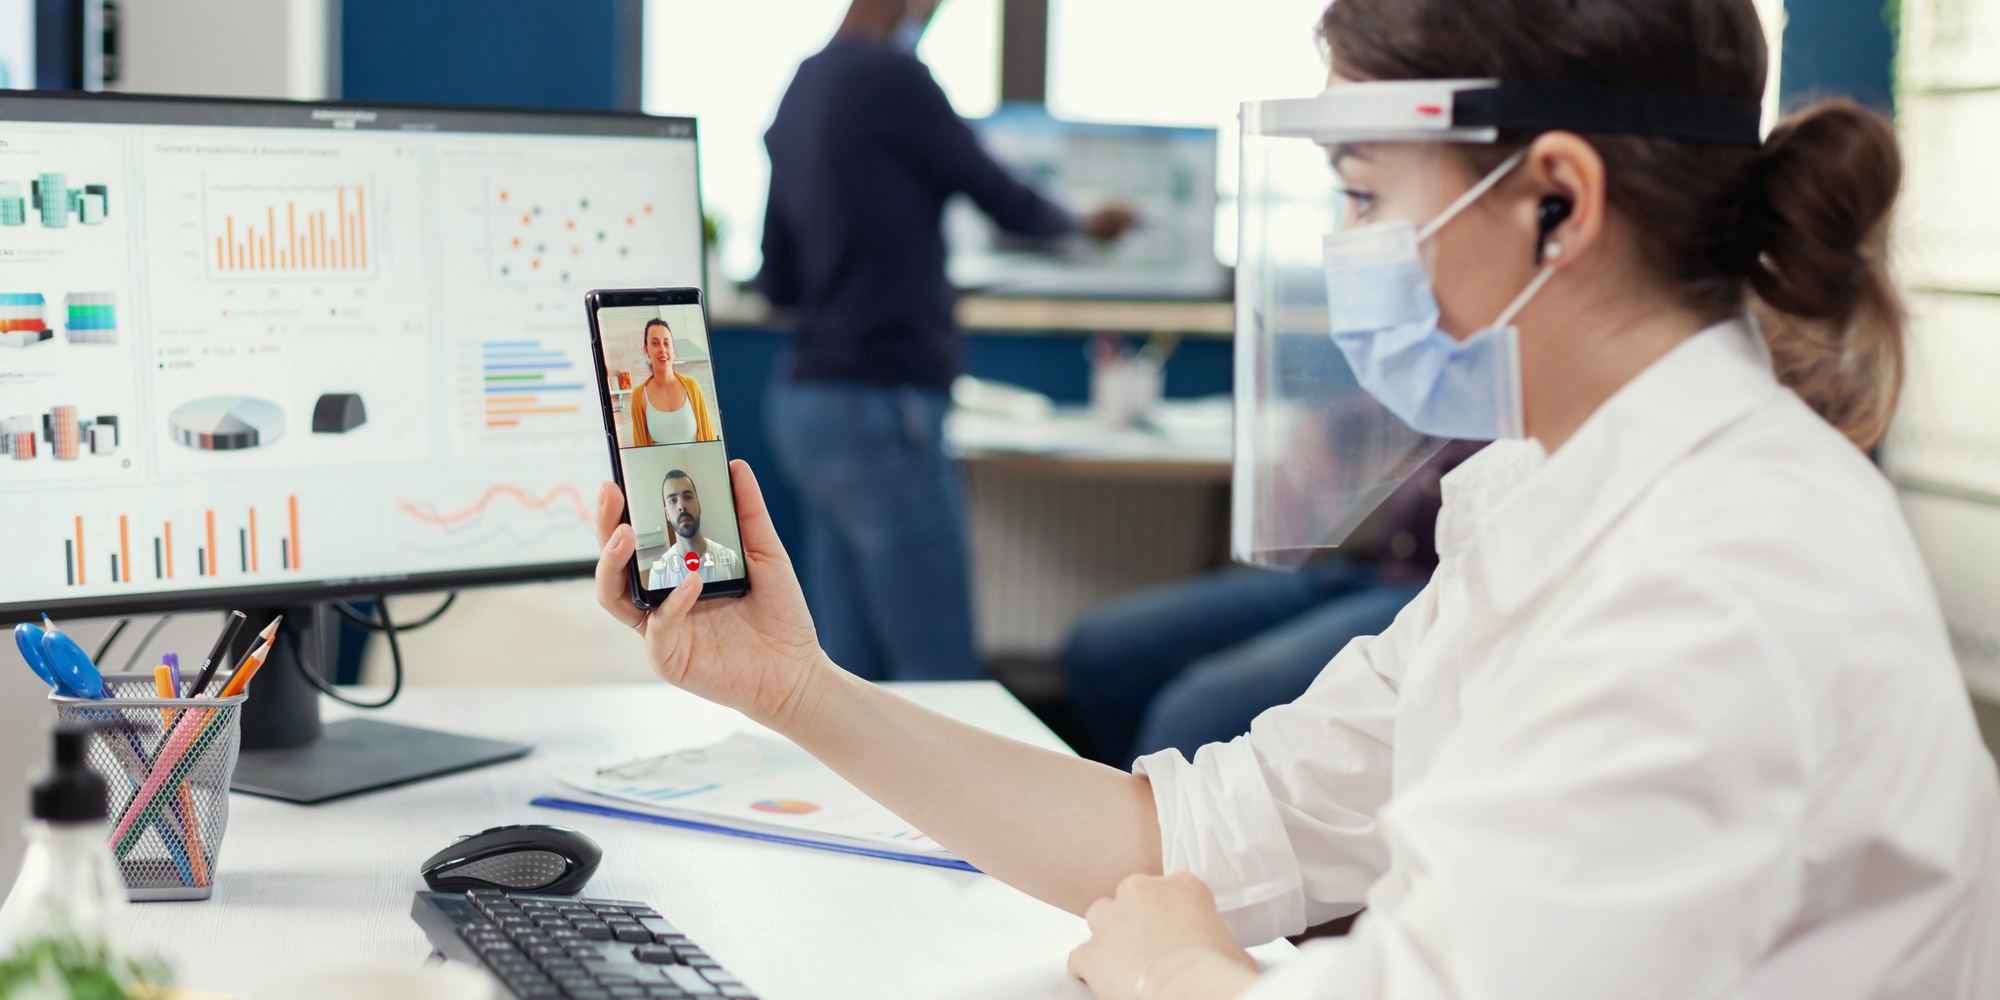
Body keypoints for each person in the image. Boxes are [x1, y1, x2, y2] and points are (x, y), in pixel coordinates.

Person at [594, 1, 2000, 997]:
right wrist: (793, 687)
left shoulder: (1719, 585)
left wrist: (1178, 972)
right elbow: (1184, 837)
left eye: (1364, 188)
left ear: (1556, 203)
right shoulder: (1554, 498)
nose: (1346, 249)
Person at [757, 0, 1133, 682]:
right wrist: (1084, 223)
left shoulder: (802, 86)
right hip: (880, 406)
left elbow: (777, 279)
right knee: (943, 678)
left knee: (845, 678)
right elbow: (1003, 196)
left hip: (808, 404)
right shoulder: (896, 77)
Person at [1063, 443, 1479, 765]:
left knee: (1196, 713)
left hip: (1441, 588)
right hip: (1377, 566)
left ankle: (1160, 854)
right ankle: (1139, 812)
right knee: (1103, 650)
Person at [645, 469, 741, 590]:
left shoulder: (730, 560)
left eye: (688, 497)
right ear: (667, 514)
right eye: (672, 500)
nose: (681, 506)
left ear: (699, 506)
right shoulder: (659, 573)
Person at [629, 318, 717, 446]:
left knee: (739, 465)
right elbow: (640, 447)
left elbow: (708, 436)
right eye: (655, 343)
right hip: (661, 466)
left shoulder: (692, 387)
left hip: (695, 464)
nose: (662, 349)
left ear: (673, 351)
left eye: (666, 343)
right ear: (646, 350)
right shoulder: (639, 396)